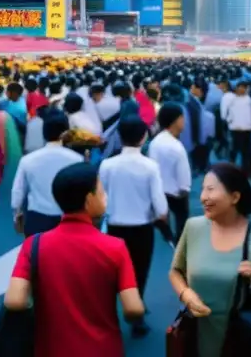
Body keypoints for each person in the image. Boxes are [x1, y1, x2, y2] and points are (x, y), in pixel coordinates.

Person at [4, 162, 145, 355]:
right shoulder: (115, 247)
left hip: (51, 349)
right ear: (89, 200)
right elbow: (133, 308)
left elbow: (14, 300)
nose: (105, 196)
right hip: (103, 348)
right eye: (101, 191)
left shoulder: (34, 244)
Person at [169, 163, 251, 357]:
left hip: (239, 339)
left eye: (211, 190)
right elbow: (176, 271)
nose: (203, 198)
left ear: (235, 196)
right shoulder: (193, 227)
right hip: (195, 335)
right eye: (202, 190)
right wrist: (186, 294)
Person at [99, 116, 167, 337]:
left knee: (112, 274)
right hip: (141, 228)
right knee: (138, 272)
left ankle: (109, 316)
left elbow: (101, 198)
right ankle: (136, 314)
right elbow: (160, 206)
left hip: (114, 227)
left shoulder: (107, 164)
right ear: (144, 136)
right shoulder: (150, 166)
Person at [11, 110, 82, 236]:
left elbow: (18, 191)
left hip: (37, 217)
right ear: (66, 133)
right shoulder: (77, 159)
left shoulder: (28, 160)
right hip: (67, 219)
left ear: (44, 132)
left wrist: (17, 214)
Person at [149, 101, 193, 244]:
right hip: (176, 192)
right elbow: (183, 175)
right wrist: (185, 189)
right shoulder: (176, 147)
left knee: (165, 214)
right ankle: (180, 242)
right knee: (181, 217)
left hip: (161, 189)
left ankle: (167, 234)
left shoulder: (155, 142)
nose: (184, 121)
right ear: (176, 121)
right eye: (182, 118)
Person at [224, 79, 251, 171]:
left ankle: (245, 170)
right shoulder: (232, 99)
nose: (242, 90)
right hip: (235, 129)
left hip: (247, 129)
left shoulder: (249, 99)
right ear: (236, 88)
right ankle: (231, 169)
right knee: (233, 150)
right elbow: (227, 113)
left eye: (244, 88)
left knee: (246, 152)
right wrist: (230, 121)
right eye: (240, 88)